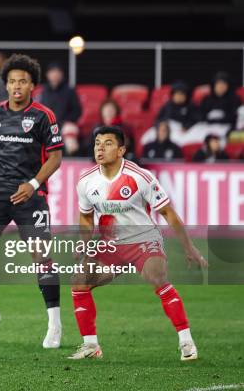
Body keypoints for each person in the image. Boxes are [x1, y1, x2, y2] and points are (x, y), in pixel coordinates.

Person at [69, 126, 207, 360]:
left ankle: (186, 342)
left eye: (108, 143)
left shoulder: (139, 176)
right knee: (79, 282)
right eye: (97, 143)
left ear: (121, 150)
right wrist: (84, 242)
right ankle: (91, 346)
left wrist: (189, 248)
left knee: (156, 278)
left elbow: (168, 213)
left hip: (143, 240)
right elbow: (85, 215)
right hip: (112, 245)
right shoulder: (86, 181)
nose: (100, 148)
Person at [0, 54, 64, 347]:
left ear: (32, 85)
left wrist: (33, 184)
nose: (17, 86)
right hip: (0, 190)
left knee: (40, 256)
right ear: (5, 85)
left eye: (23, 81)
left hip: (32, 194)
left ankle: (54, 324)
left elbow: (56, 157)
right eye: (12, 81)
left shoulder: (44, 116)